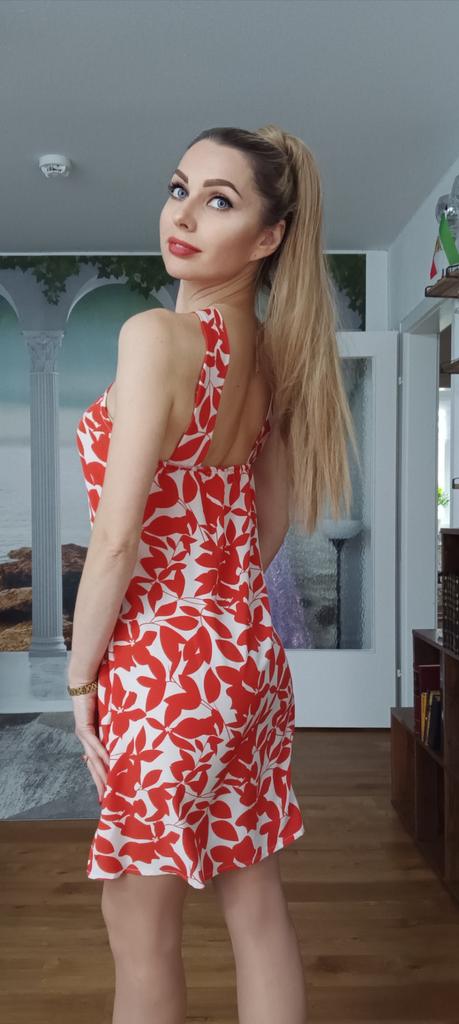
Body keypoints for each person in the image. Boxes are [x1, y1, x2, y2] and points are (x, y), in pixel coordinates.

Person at [69, 124, 357, 1024]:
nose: (183, 215)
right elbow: (262, 528)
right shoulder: (275, 357)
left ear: (267, 237)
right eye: (178, 188)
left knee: (139, 922)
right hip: (245, 655)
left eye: (219, 201)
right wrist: (213, 610)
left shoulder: (157, 335)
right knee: (254, 898)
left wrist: (78, 678)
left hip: (162, 664)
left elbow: (115, 540)